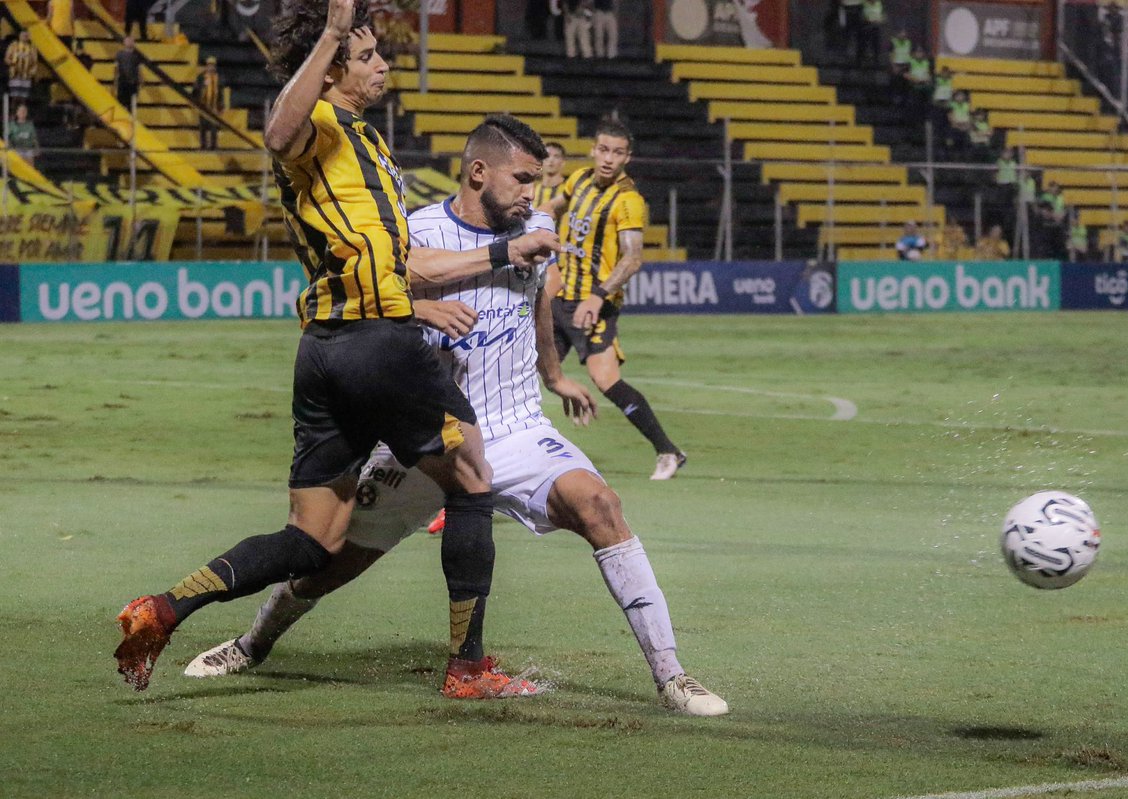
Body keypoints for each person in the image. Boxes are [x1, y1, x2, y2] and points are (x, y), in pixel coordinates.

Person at [183, 115, 728, 716]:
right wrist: (419, 309)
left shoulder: (537, 225)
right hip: (428, 434)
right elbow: (376, 294)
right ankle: (251, 644)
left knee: (601, 507)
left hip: (517, 427)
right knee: (328, 565)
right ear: (477, 172)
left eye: (537, 180)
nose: (532, 193)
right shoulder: (416, 229)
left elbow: (541, 300)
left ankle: (672, 676)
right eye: (522, 179)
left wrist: (554, 376)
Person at [112, 0, 558, 698]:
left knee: (313, 538)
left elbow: (407, 260)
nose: (384, 64)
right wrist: (328, 33)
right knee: (474, 476)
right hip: (374, 344)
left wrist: (492, 256)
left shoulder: (369, 145)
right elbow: (278, 130)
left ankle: (165, 609)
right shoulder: (317, 122)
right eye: (369, 55)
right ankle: (468, 667)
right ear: (332, 70)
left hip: (326, 351)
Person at [540, 118, 687, 481]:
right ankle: (531, 457)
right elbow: (551, 208)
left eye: (617, 152)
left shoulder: (628, 201)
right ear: (593, 149)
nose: (608, 158)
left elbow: (633, 257)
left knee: (606, 380)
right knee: (537, 373)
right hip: (560, 299)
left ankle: (668, 451)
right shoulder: (578, 180)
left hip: (594, 306)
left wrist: (598, 296)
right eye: (603, 149)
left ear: (627, 158)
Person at [192, 56, 222, 150]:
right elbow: (195, 90)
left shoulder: (217, 78)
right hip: (203, 106)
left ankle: (213, 145)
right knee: (203, 127)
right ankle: (203, 145)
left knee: (213, 127)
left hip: (213, 107)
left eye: (213, 65)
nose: (211, 67)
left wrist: (221, 106)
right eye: (209, 65)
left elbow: (220, 93)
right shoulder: (201, 77)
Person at [5, 31, 38, 104]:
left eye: (26, 35)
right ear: (19, 36)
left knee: (24, 98)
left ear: (29, 37)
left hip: (26, 76)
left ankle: (22, 114)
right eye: (23, 35)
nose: (24, 37)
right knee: (14, 97)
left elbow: (35, 63)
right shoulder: (13, 46)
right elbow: (7, 58)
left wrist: (32, 72)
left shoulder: (32, 48)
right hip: (15, 75)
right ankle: (13, 114)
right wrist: (11, 63)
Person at [532, 140, 565, 208]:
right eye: (547, 155)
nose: (551, 160)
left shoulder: (567, 192)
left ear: (563, 163)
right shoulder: (533, 192)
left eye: (556, 156)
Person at [113, 36, 142, 111]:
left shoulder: (136, 56)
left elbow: (139, 69)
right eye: (128, 41)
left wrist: (140, 80)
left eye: (131, 41)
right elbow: (116, 69)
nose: (129, 42)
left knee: (132, 105)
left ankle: (132, 120)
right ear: (124, 43)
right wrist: (115, 81)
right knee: (121, 104)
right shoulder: (119, 54)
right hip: (122, 83)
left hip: (133, 83)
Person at [861, 0, 885, 66]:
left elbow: (883, 15)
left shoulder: (879, 3)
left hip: (876, 27)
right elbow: (862, 16)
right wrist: (868, 20)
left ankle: (876, 60)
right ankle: (864, 59)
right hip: (866, 27)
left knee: (876, 44)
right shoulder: (864, 4)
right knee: (865, 44)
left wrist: (880, 20)